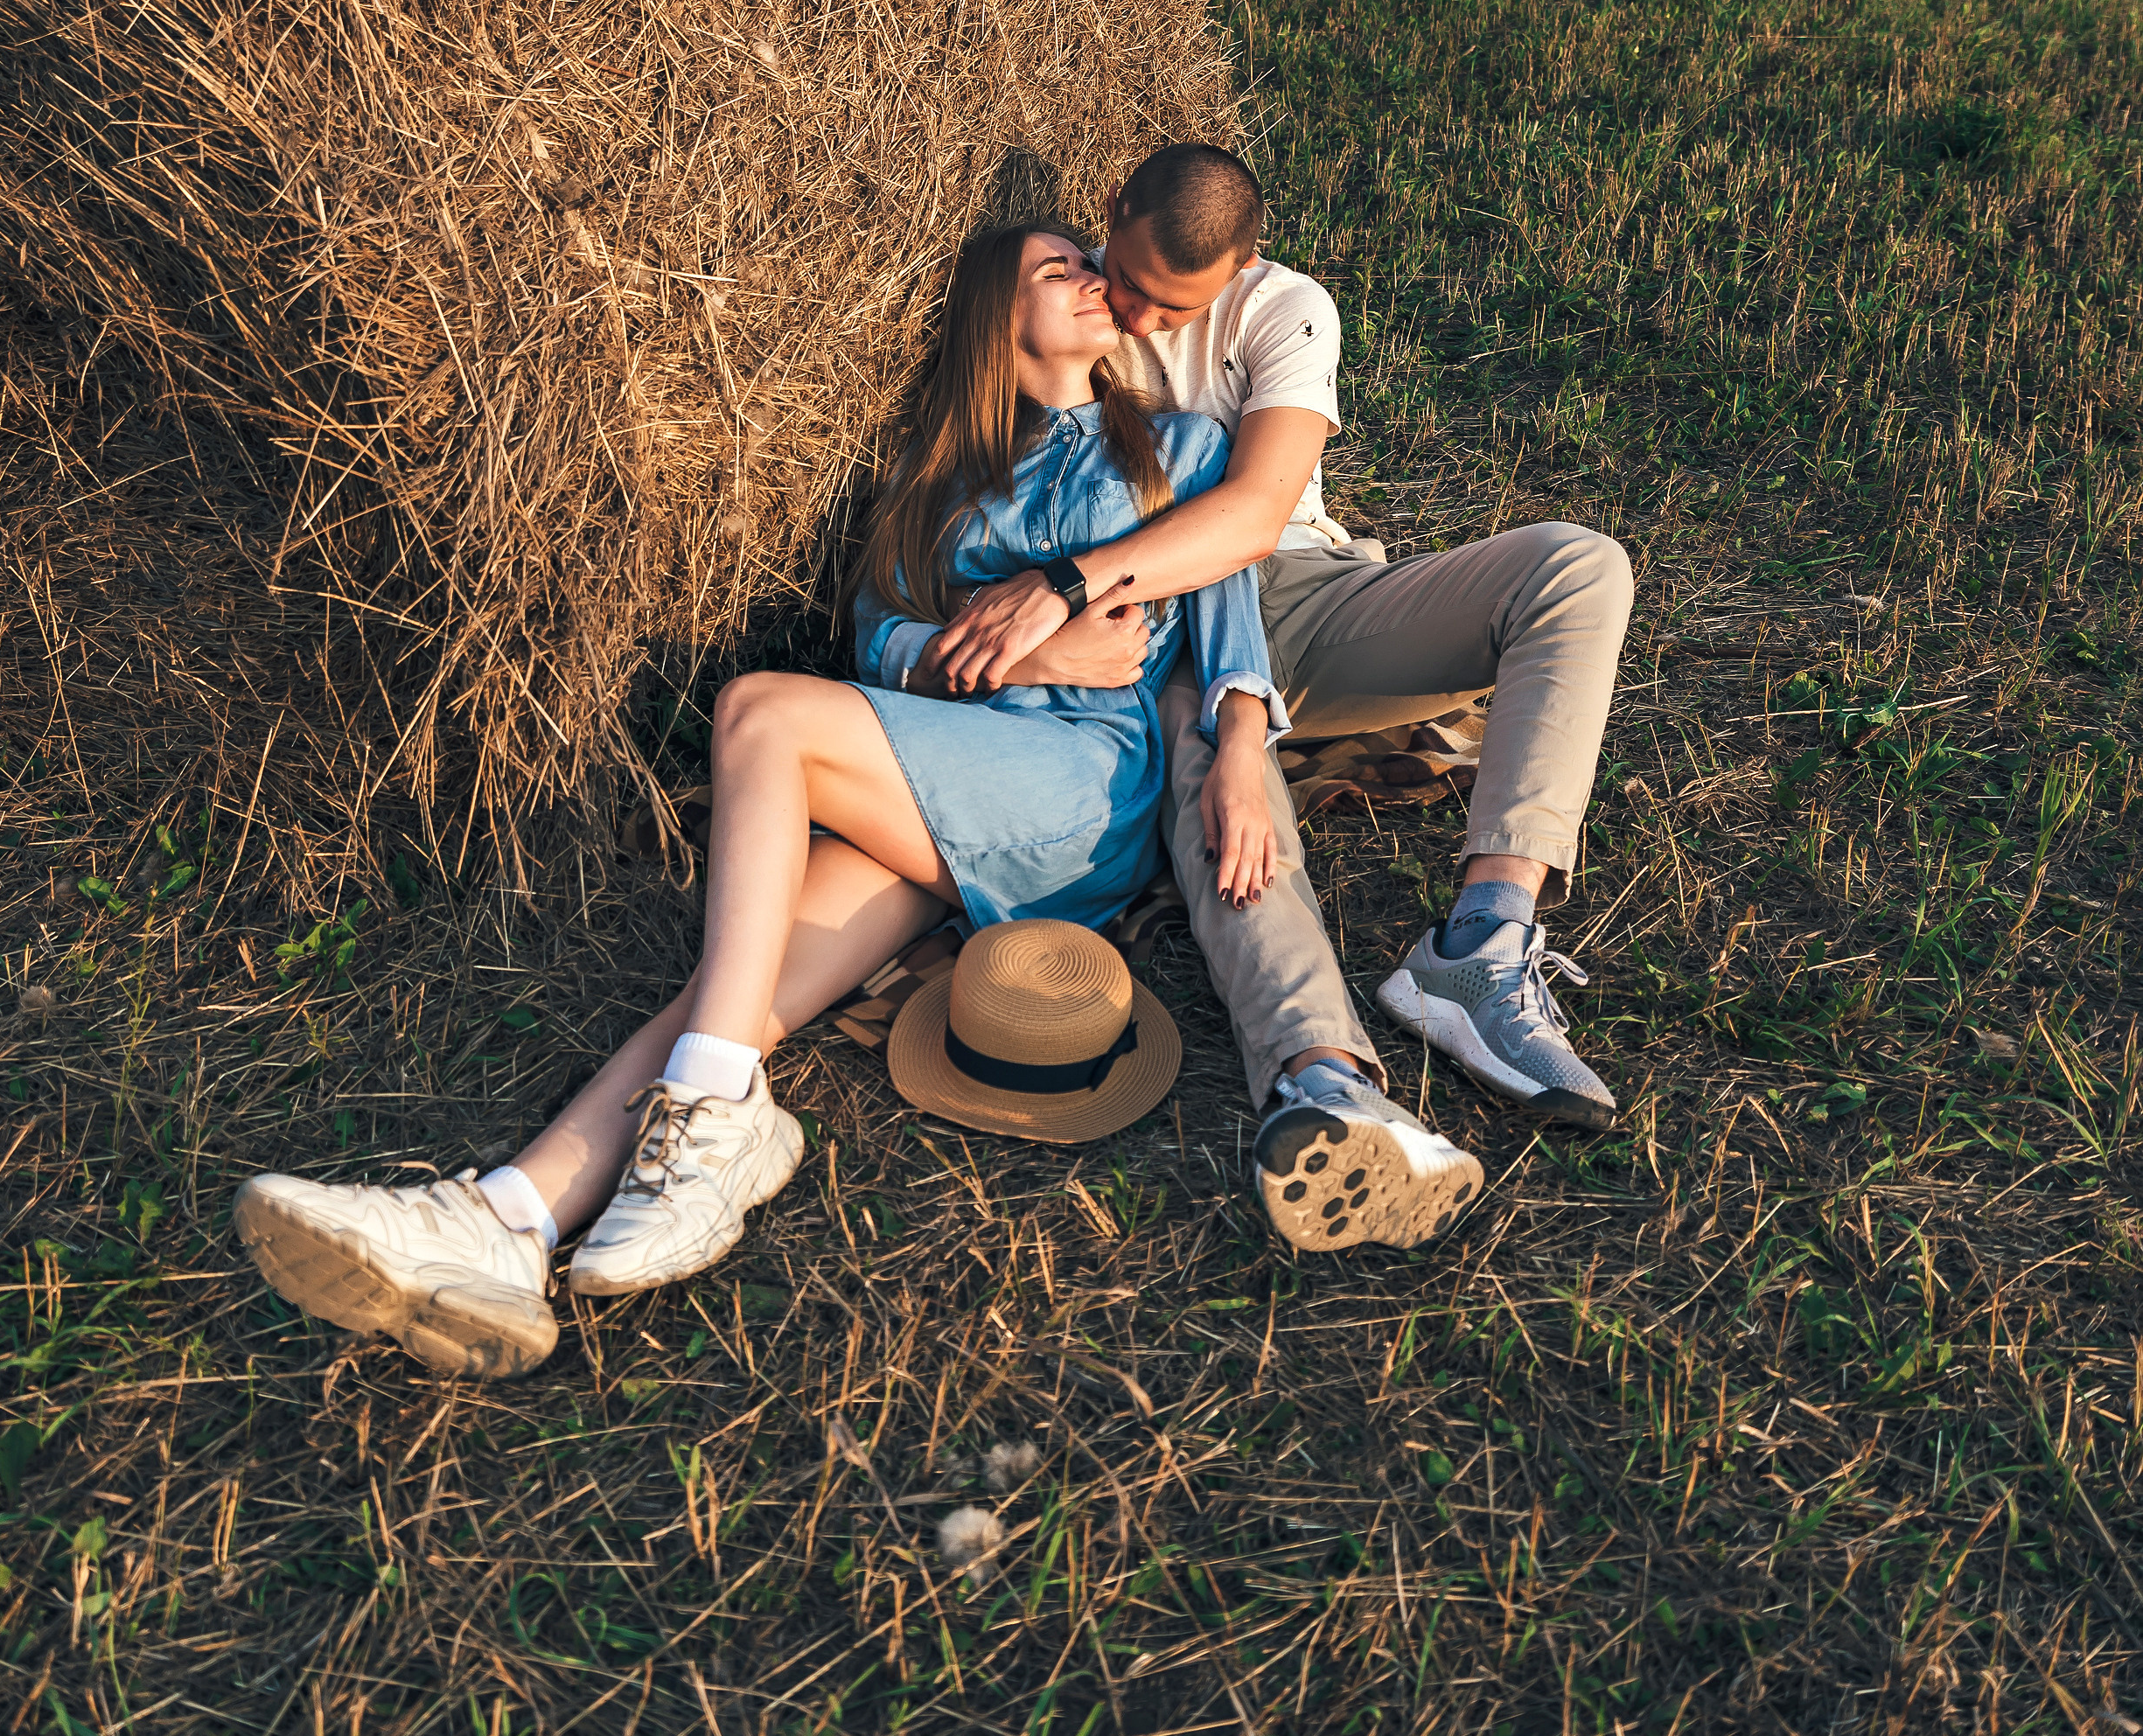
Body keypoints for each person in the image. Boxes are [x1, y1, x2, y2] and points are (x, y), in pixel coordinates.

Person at [231, 226, 1484, 1380]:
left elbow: (1232, 633)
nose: (1097, 275)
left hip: (1073, 791)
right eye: (1061, 265)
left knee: (762, 715)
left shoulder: (1182, 449)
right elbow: (881, 643)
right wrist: (1028, 651)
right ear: (998, 312)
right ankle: (501, 1217)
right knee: (731, 987)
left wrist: (1240, 761)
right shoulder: (937, 481)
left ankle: (720, 1122)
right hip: (939, 778)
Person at [925, 144, 1636, 1166]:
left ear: (1243, 269)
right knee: (1230, 795)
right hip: (1154, 637)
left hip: (1299, 595)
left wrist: (1066, 581)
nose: (1137, 317)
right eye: (1124, 280)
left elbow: (1254, 515)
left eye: (1173, 306)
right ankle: (1318, 1074)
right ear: (1111, 209)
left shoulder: (1287, 310)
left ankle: (1479, 945)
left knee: (1578, 564)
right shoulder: (1065, 301)